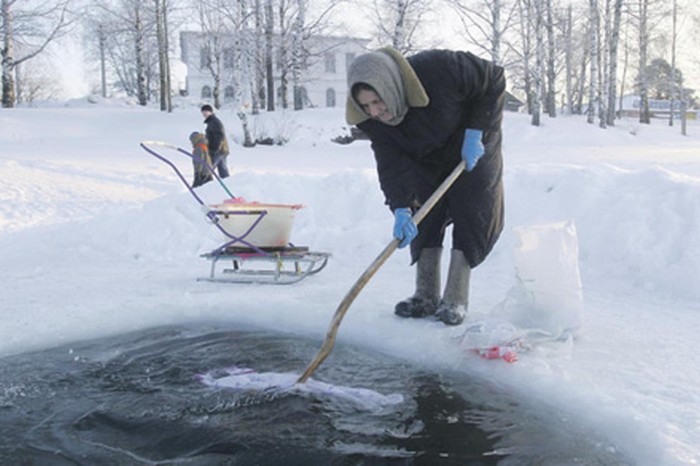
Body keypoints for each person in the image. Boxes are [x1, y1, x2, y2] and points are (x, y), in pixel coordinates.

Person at [346, 47, 506, 326]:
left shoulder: (440, 69)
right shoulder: (374, 122)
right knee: (424, 212)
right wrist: (400, 207)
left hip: (472, 146)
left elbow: (493, 79)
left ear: (390, 86)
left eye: (377, 101)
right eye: (366, 106)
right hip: (425, 156)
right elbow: (391, 163)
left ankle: (455, 298)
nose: (375, 111)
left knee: (472, 211)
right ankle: (426, 295)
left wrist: (476, 132)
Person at [201, 104, 230, 178]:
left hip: (218, 151)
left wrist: (214, 149)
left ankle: (202, 185)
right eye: (203, 112)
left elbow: (219, 137)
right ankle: (228, 184)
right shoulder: (211, 122)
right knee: (223, 171)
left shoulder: (215, 122)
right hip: (222, 150)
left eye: (206, 111)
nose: (204, 114)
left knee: (208, 169)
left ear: (211, 112)